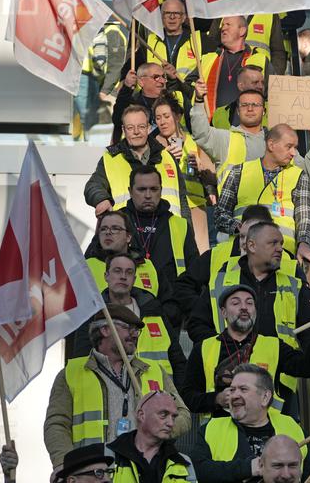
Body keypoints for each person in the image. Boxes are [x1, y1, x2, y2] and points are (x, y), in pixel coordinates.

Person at [44, 305, 191, 470]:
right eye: (129, 328)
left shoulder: (154, 370)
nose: (135, 334)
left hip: (144, 471)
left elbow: (183, 415)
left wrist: (160, 428)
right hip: (93, 474)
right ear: (105, 329)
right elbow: (57, 425)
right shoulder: (70, 374)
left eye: (137, 330)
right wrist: (65, 465)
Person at [181, 284, 310, 416]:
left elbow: (309, 368)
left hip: (266, 434)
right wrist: (217, 398)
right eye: (236, 303)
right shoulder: (203, 348)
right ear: (223, 312)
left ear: (255, 311)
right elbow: (188, 397)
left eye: (249, 303)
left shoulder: (273, 346)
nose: (244, 308)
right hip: (219, 437)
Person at [73, 253, 187, 386]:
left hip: (158, 395)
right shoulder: (93, 314)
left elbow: (177, 359)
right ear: (106, 276)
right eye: (117, 271)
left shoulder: (153, 310)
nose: (123, 276)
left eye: (129, 272)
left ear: (134, 279)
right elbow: (81, 360)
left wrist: (177, 397)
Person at [214, 124, 310, 263]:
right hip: (243, 255)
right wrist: (240, 228)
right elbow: (220, 215)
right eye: (289, 146)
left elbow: (305, 218)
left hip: (282, 256)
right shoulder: (239, 171)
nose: (293, 153)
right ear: (271, 144)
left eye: (295, 147)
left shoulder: (299, 175)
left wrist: (304, 244)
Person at [189, 88, 310, 192]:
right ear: (237, 111)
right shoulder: (225, 139)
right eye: (244, 105)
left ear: (264, 111)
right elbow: (201, 133)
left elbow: (307, 175)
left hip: (273, 219)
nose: (250, 109)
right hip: (235, 221)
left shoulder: (279, 142)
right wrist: (199, 101)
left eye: (255, 105)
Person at [189, 364, 309, 483]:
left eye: (243, 389)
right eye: (232, 389)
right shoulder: (212, 428)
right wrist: (248, 468)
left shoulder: (292, 427)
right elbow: (196, 470)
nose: (234, 395)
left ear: (265, 397)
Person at [120, 164, 198, 326]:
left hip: (170, 315)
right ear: (130, 191)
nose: (148, 195)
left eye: (153, 189)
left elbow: (194, 275)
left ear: (161, 190)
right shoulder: (116, 222)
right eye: (141, 189)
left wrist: (182, 312)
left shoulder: (180, 225)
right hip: (123, 312)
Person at [84, 104, 190, 219]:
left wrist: (188, 233)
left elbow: (182, 200)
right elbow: (93, 186)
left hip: (168, 230)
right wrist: (101, 199)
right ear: (124, 130)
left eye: (141, 126)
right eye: (130, 128)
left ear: (149, 128)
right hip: (128, 230)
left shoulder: (167, 157)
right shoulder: (110, 159)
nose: (136, 132)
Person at [154, 96, 214, 251]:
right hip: (169, 207)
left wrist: (202, 169)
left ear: (178, 116)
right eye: (158, 118)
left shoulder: (194, 141)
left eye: (166, 116)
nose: (162, 122)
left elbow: (213, 175)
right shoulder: (152, 145)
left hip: (195, 206)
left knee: (200, 255)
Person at [183, 16, 270, 120]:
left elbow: (273, 96)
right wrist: (175, 79)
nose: (223, 28)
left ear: (242, 31)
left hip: (247, 128)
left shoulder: (260, 60)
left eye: (228, 25)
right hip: (212, 128)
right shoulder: (209, 58)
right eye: (223, 25)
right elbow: (188, 89)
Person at [108, 391, 196, 482]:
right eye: (163, 414)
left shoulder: (184, 463)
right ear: (141, 415)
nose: (171, 423)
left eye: (173, 417)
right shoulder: (108, 457)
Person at [135, 0, 206, 83]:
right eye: (167, 13)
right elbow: (133, 70)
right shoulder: (150, 42)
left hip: (188, 95)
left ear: (184, 17)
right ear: (161, 17)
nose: (172, 17)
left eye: (176, 13)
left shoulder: (199, 39)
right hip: (159, 95)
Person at [113, 62, 187, 138]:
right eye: (156, 77)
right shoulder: (133, 103)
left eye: (163, 76)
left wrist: (174, 80)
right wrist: (126, 88)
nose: (162, 81)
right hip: (142, 148)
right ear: (141, 82)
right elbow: (117, 120)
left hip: (176, 146)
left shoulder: (175, 97)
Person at [210, 65, 267, 130]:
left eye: (262, 83)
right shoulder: (220, 113)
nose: (260, 86)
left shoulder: (274, 109)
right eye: (255, 83)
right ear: (241, 86)